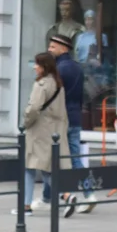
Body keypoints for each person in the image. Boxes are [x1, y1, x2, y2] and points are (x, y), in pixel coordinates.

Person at [17, 53, 70, 214]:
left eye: (37, 64)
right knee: (45, 168)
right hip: (53, 130)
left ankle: (26, 206)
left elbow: (33, 108)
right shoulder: (58, 84)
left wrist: (25, 122)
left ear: (44, 66)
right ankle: (66, 196)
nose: (34, 67)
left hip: (39, 130)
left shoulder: (41, 85)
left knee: (30, 166)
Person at [44, 34, 86, 207]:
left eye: (53, 47)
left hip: (61, 119)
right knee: (74, 157)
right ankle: (88, 193)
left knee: (51, 158)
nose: (49, 49)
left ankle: (71, 195)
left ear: (64, 48)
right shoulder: (77, 67)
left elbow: (53, 96)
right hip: (75, 117)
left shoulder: (59, 69)